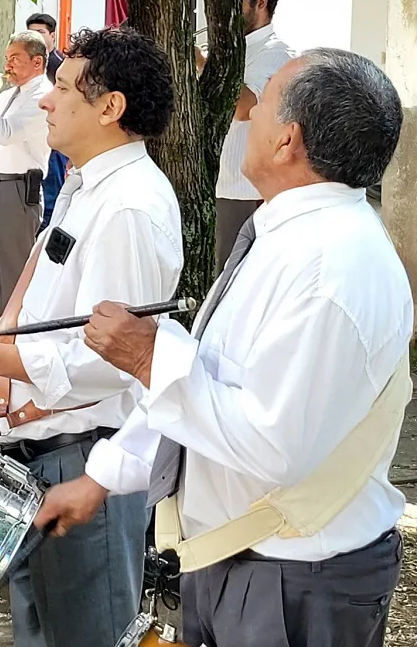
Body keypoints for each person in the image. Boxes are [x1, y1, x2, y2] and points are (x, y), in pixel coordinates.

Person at [38, 48, 408, 647]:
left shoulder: (329, 267)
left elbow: (270, 443)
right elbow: (215, 376)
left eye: (258, 106)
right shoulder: (289, 234)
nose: (247, 118)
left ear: (288, 139)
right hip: (243, 558)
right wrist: (104, 476)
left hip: (293, 575)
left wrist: (147, 357)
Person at [0, 27, 181, 647]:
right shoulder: (85, 184)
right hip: (36, 451)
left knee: (87, 632)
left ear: (109, 107)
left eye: (63, 87)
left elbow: (119, 359)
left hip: (80, 452)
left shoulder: (129, 206)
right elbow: (46, 309)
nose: (46, 100)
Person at [208, 0, 293, 268]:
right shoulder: (232, 50)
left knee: (229, 278)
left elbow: (243, 108)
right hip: (216, 185)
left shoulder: (275, 53)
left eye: (237, 0)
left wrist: (198, 59)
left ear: (261, 3)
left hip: (241, 192)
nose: (227, 10)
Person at [0, 30, 53, 314]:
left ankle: (17, 333)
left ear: (37, 62)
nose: (7, 65)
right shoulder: (9, 96)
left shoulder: (43, 96)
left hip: (17, 188)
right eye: (7, 58)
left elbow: (5, 132)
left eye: (15, 59)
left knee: (14, 268)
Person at [26, 13, 70, 230]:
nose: (36, 37)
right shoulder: (31, 65)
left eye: (41, 33)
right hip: (35, 140)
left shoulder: (59, 66)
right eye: (31, 33)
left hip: (54, 141)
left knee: (52, 195)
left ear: (52, 35)